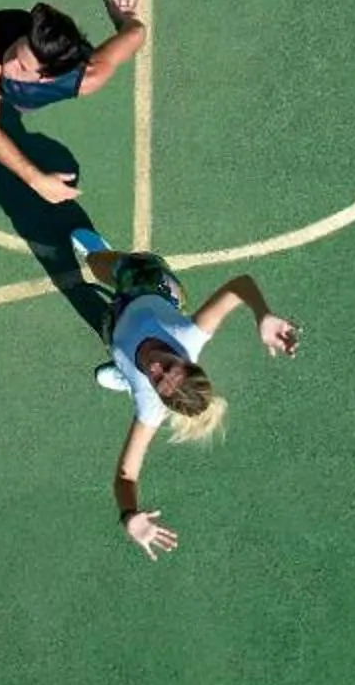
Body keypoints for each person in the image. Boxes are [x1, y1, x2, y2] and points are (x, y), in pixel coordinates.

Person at [66, 225, 300, 561]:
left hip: (117, 326)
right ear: (186, 360)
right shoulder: (188, 334)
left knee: (113, 338)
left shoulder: (149, 406)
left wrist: (129, 516)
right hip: (150, 287)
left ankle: (125, 375)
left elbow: (125, 475)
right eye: (168, 365)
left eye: (157, 380)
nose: (155, 367)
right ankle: (102, 258)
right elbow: (240, 285)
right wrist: (262, 314)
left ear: (158, 396)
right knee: (106, 264)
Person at [0, 0, 145, 207]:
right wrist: (35, 178)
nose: (9, 63)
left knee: (17, 103)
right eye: (16, 50)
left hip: (25, 98)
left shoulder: (88, 79)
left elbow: (135, 34)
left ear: (46, 78)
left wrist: (125, 19)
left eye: (22, 65)